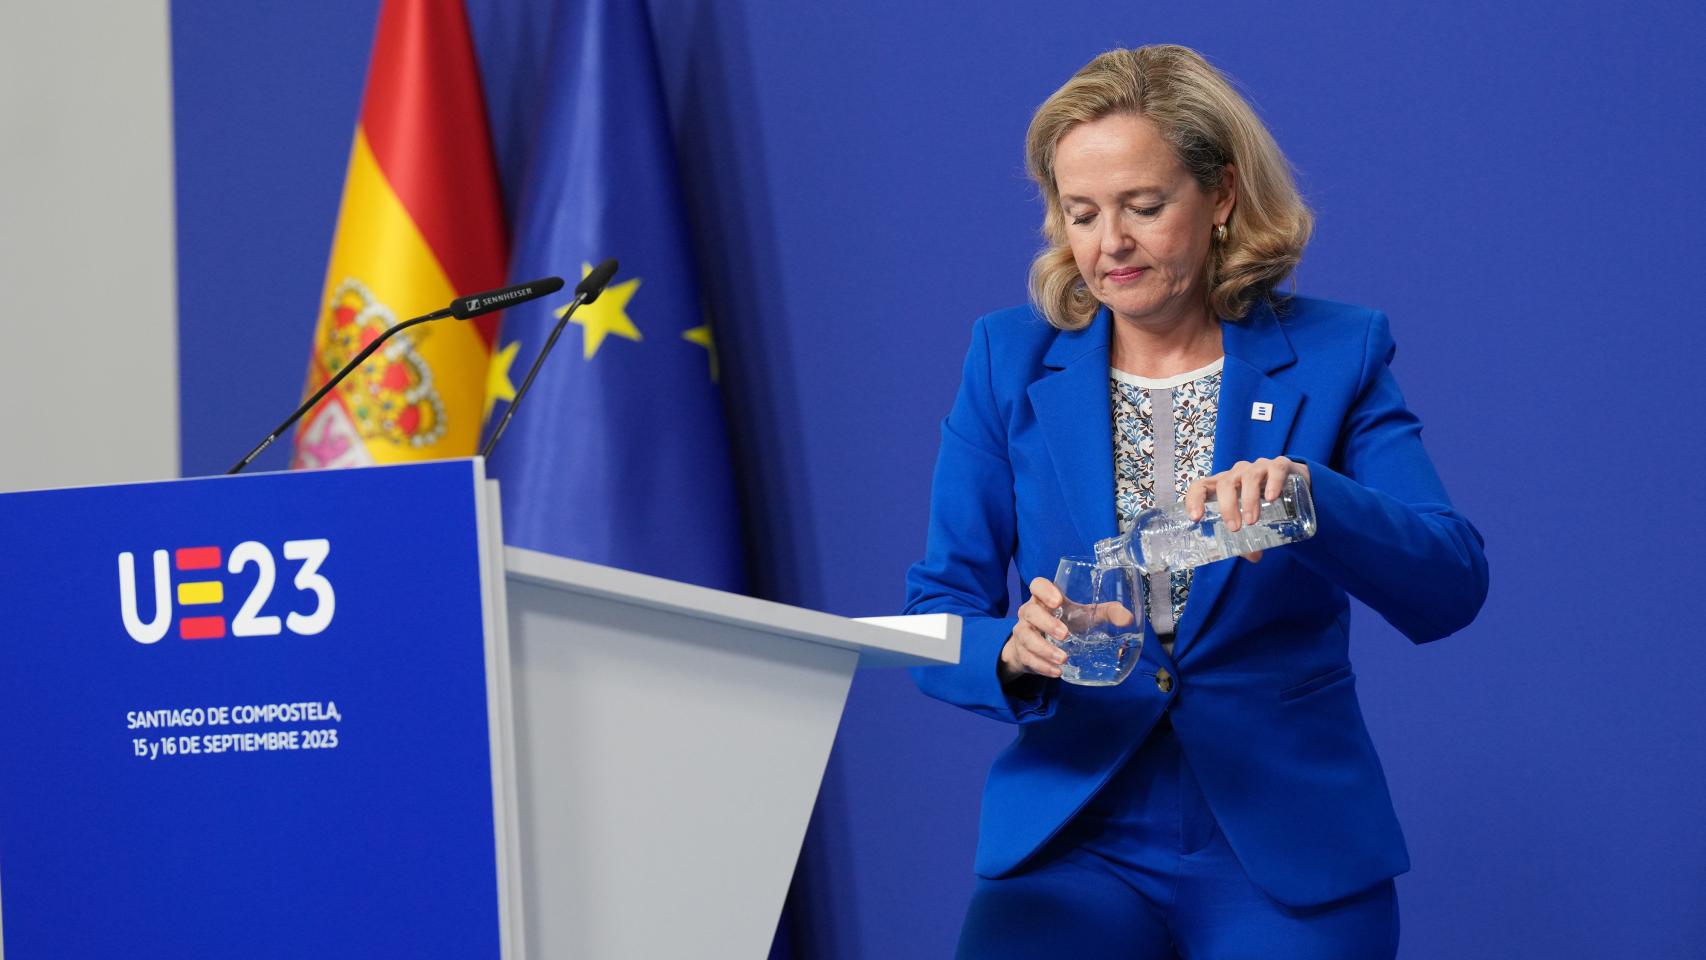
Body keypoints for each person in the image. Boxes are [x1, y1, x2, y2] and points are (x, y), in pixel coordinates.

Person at [904, 44, 1489, 958]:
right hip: (1073, 833)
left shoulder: (1340, 353)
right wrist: (1013, 655)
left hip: (1287, 837)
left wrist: (1311, 499)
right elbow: (935, 610)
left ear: (1219, 196)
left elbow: (1450, 582)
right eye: (1081, 212)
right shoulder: (1004, 359)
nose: (1109, 245)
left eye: (1142, 206)